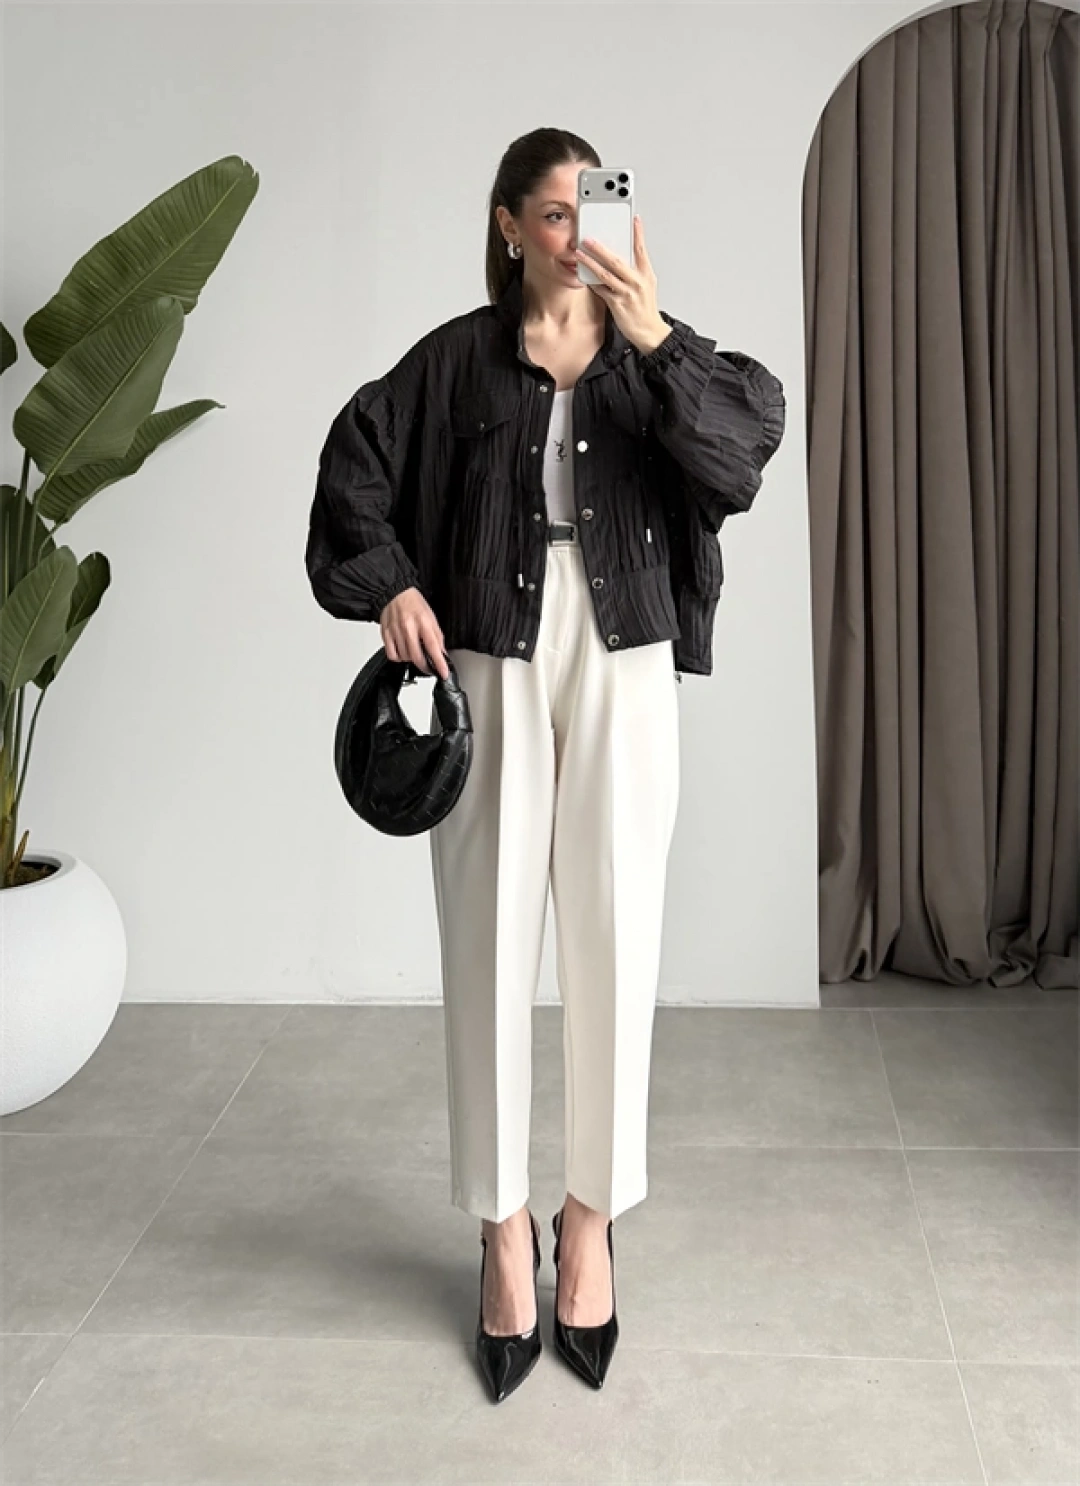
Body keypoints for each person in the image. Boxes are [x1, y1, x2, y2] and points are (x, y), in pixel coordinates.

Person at [306, 127, 786, 1404]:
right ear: (510, 225)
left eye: (598, 209)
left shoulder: (658, 357)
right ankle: (502, 1227)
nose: (580, 236)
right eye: (559, 214)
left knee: (617, 933)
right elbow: (353, 466)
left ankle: (590, 1222)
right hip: (492, 653)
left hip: (626, 651)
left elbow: (744, 452)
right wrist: (391, 584)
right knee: (487, 935)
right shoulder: (456, 362)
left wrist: (654, 333)